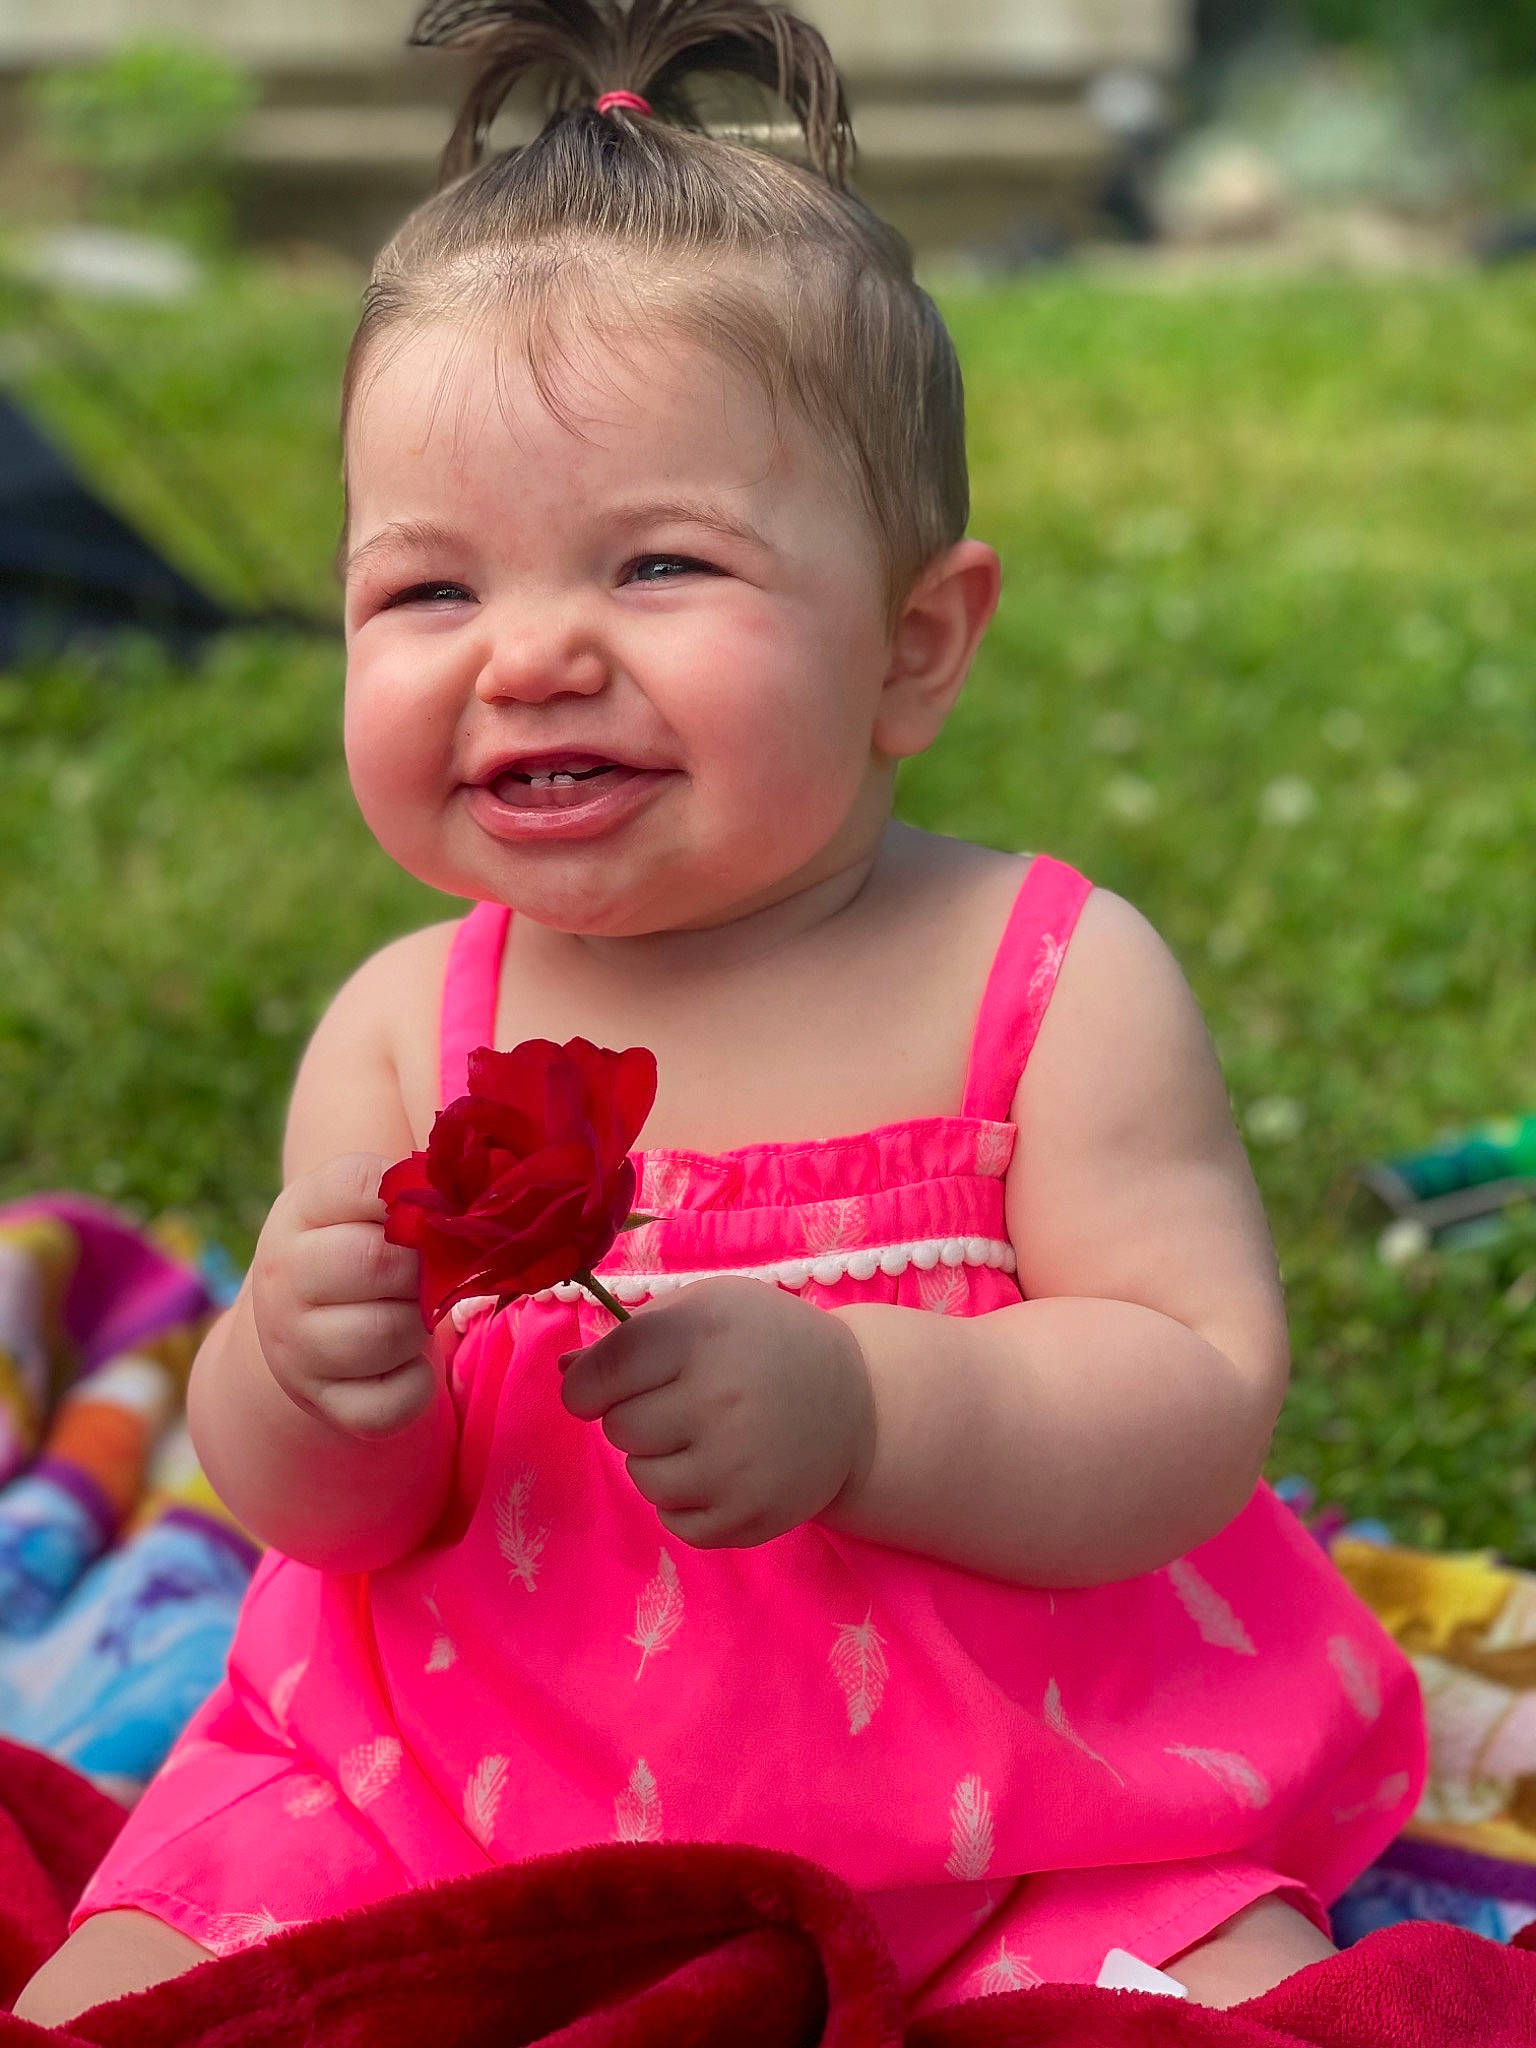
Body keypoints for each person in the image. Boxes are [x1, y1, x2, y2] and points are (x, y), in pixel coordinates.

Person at [16, 0, 1424, 2024]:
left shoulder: (1041, 977)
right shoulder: (415, 1024)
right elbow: (337, 1521)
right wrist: (301, 1382)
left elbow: (1194, 1395)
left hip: (1010, 1796)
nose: (531, 658)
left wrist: (874, 1407)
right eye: (428, 593)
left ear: (914, 645)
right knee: (128, 1997)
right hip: (439, 1780)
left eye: (657, 563)